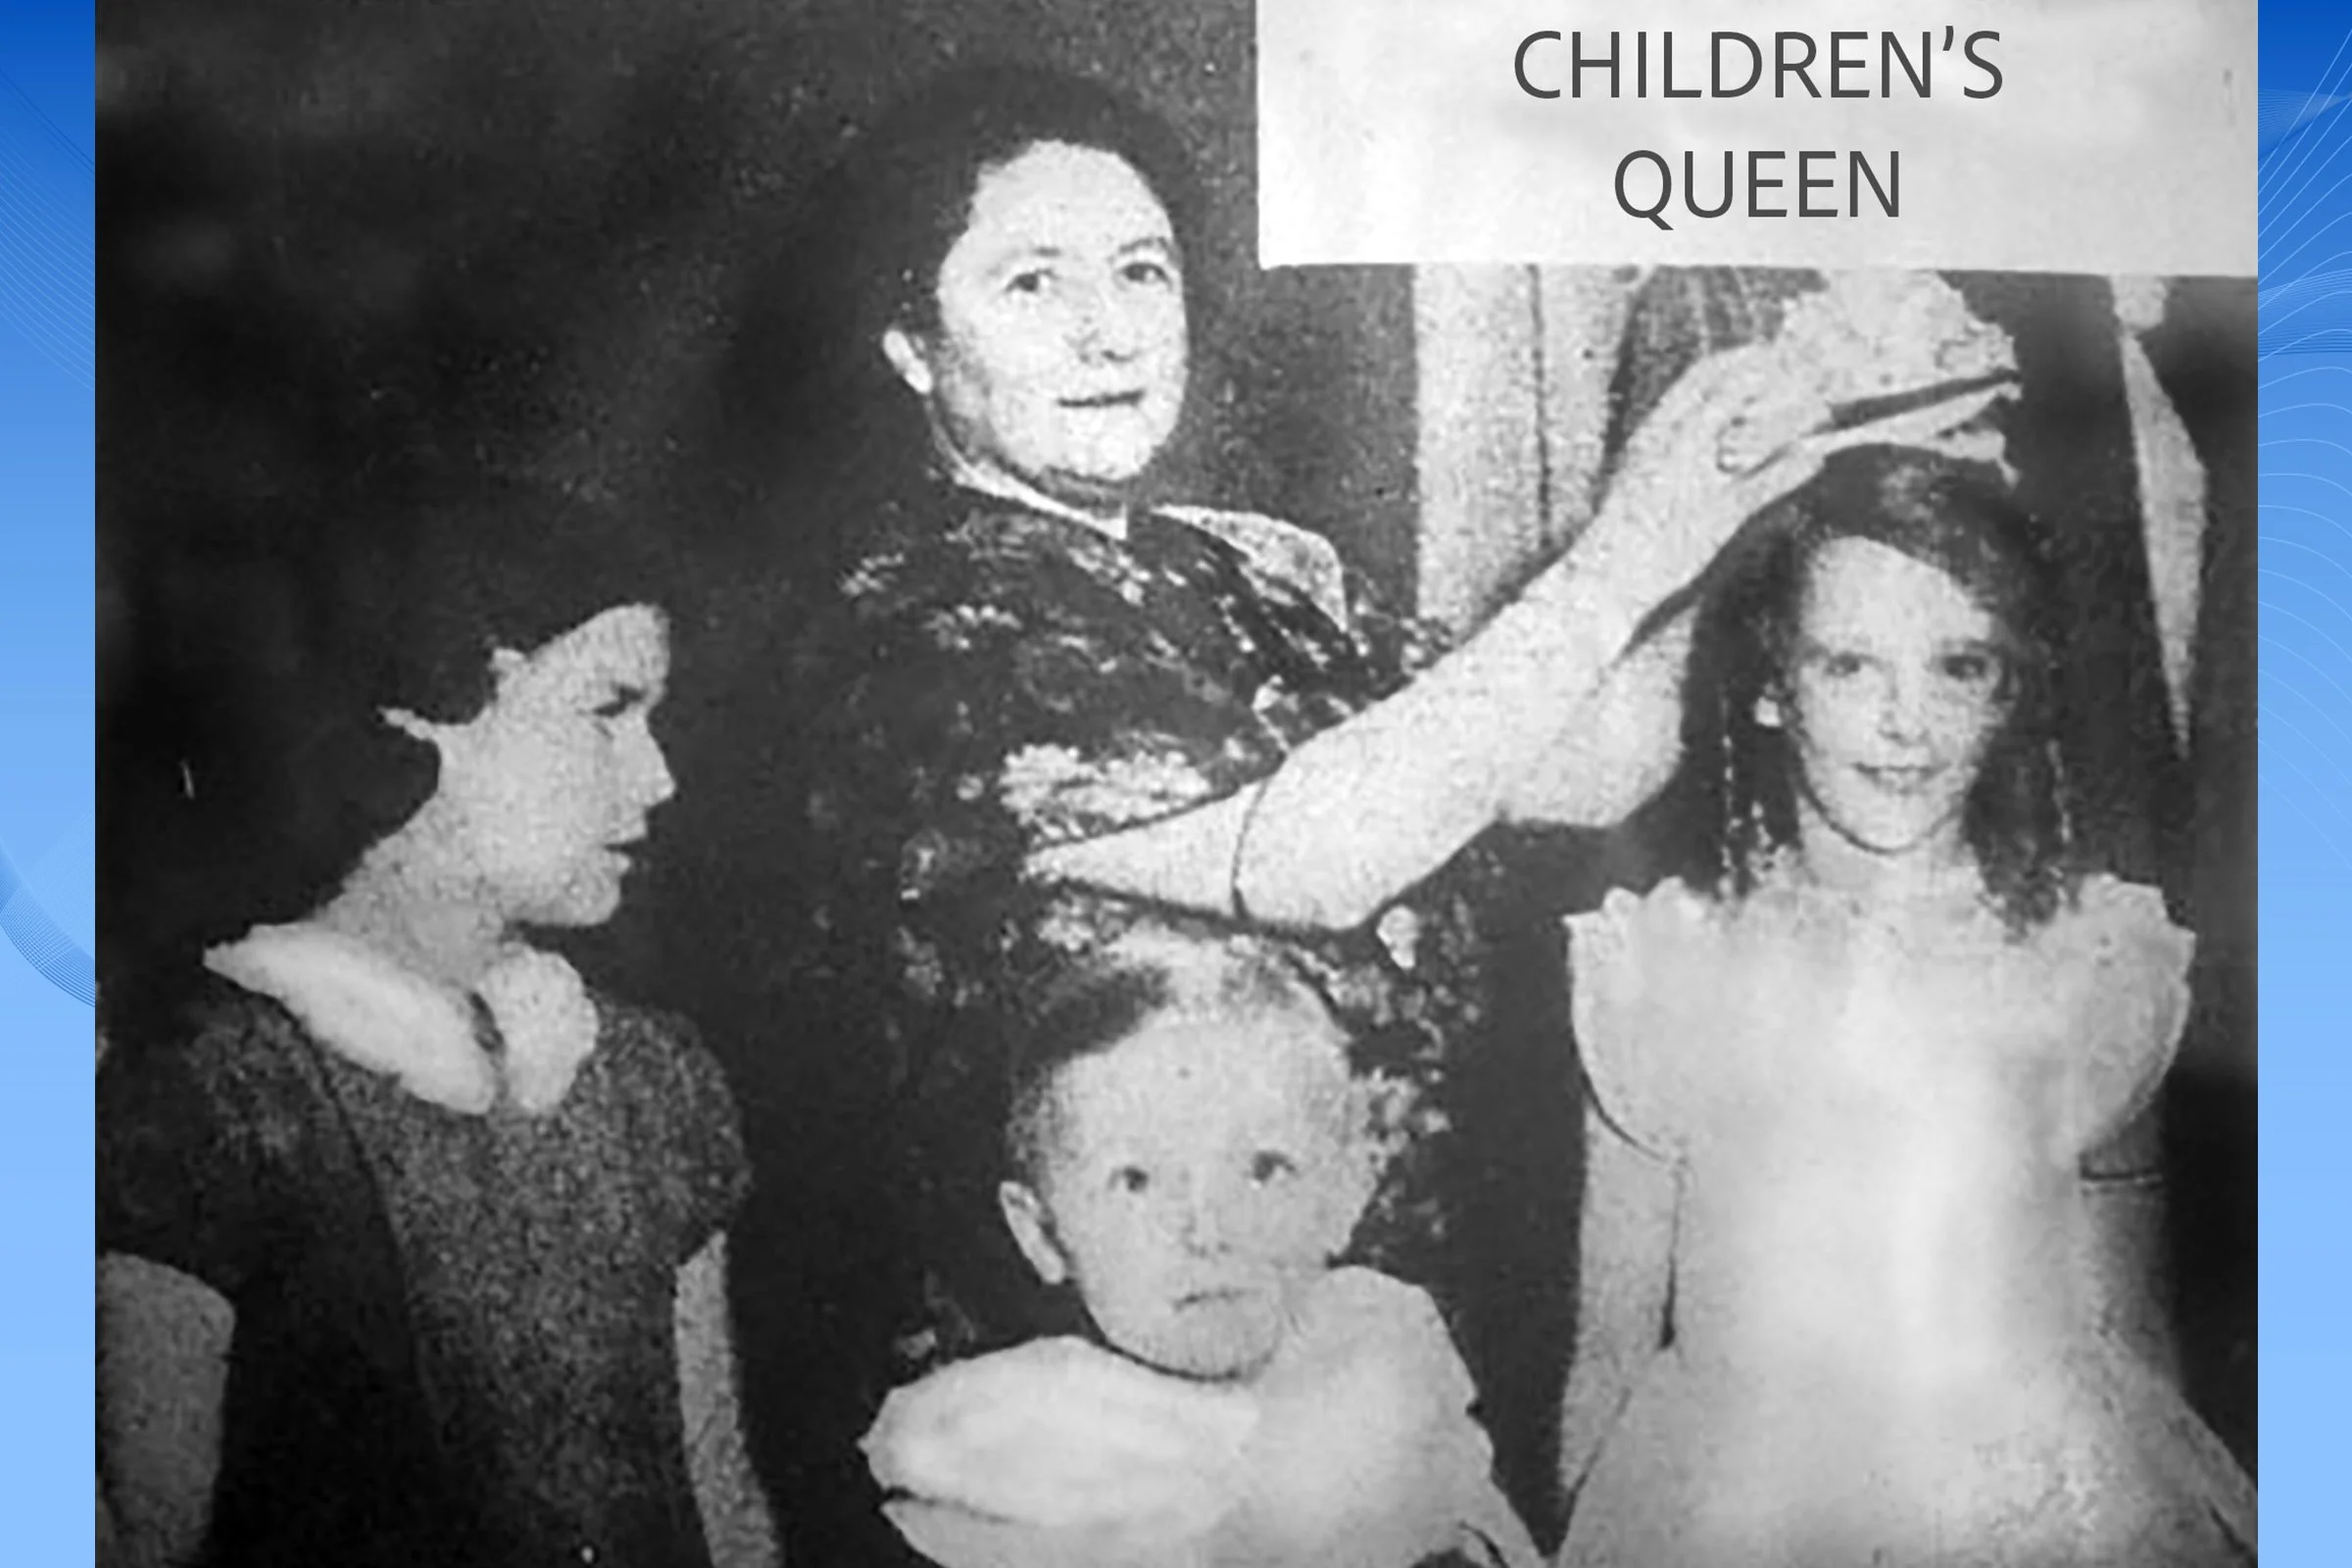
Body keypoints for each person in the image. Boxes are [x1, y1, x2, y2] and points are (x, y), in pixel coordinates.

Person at [644, 67, 2010, 1561]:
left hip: (1358, 1363)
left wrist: (1784, 504)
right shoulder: (914, 624)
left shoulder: (1262, 568)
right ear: (914, 346)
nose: (1109, 329)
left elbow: (1589, 760)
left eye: (1142, 271)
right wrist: (1628, 543)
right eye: (1033, 282)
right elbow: (1311, 858)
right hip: (1103, 1432)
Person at [1550, 444, 2258, 1566]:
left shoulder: (2088, 957)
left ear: (2013, 690)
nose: (1906, 724)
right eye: (1850, 667)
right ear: (1773, 688)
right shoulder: (1665, 962)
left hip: (2027, 1502)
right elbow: (1608, 1353)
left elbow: (2132, 1334)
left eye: (1959, 667)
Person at [95, 509, 779, 1568]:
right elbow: (144, 1543)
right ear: (411, 722)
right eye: (607, 710)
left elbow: (724, 1514)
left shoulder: (651, 1081)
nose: (658, 778)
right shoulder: (215, 1093)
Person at [859, 920, 1542, 1568]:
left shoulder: (1379, 1340)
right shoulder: (1009, 1436)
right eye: (1135, 1182)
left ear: (1345, 1192)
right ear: (1042, 1235)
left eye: (1264, 1169)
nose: (1208, 1231)